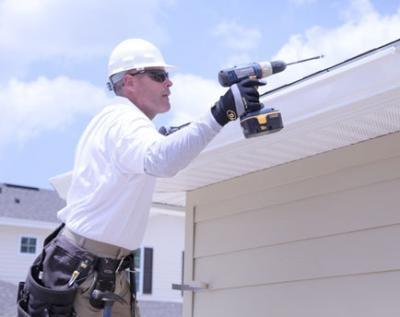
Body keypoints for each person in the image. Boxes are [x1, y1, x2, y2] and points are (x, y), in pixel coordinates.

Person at [18, 38, 264, 317]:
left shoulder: (122, 124)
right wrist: (223, 111)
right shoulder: (124, 118)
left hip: (103, 265)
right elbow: (162, 161)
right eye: (159, 76)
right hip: (88, 266)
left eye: (167, 76)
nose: (169, 83)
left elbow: (156, 155)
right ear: (130, 81)